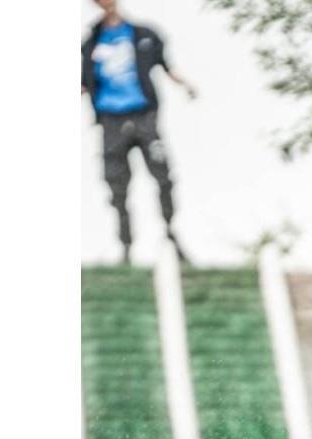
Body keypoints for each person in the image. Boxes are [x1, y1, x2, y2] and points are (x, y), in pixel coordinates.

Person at [82, 1, 196, 265]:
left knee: (163, 177)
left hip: (144, 117)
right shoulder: (90, 43)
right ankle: (125, 246)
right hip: (110, 121)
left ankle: (170, 234)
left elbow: (167, 67)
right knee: (116, 185)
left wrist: (186, 84)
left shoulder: (145, 34)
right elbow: (83, 83)